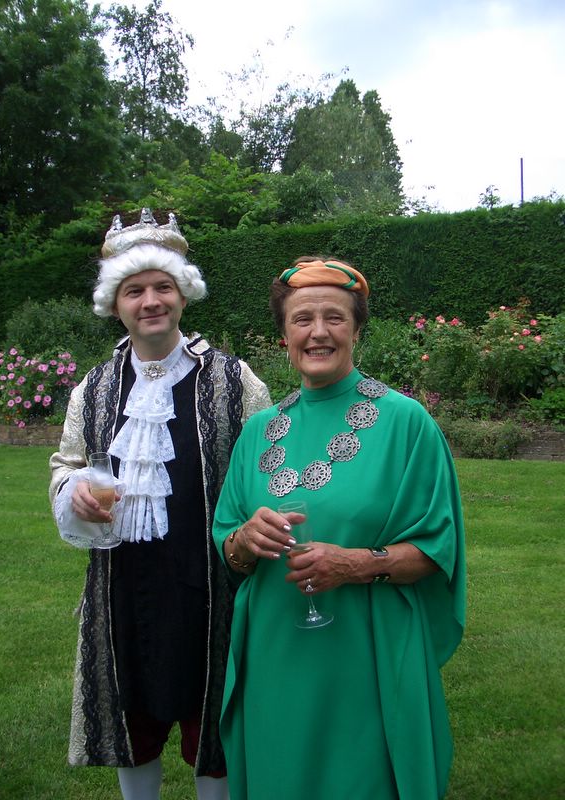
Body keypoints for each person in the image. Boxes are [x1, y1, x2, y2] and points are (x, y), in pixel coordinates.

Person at [212, 257, 466, 800]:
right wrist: (245, 540)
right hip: (276, 652)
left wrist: (352, 564)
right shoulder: (257, 431)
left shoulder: (406, 423)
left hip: (366, 652)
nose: (318, 332)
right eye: (302, 319)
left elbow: (436, 549)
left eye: (335, 317)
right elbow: (229, 550)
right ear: (284, 336)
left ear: (356, 329)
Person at [49, 209, 271, 800]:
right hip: (124, 583)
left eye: (163, 287)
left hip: (210, 582)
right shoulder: (93, 388)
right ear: (115, 303)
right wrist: (73, 493)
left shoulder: (234, 381)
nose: (151, 301)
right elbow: (66, 465)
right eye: (135, 290)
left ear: (183, 294)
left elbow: (267, 465)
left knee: (213, 717)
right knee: (133, 719)